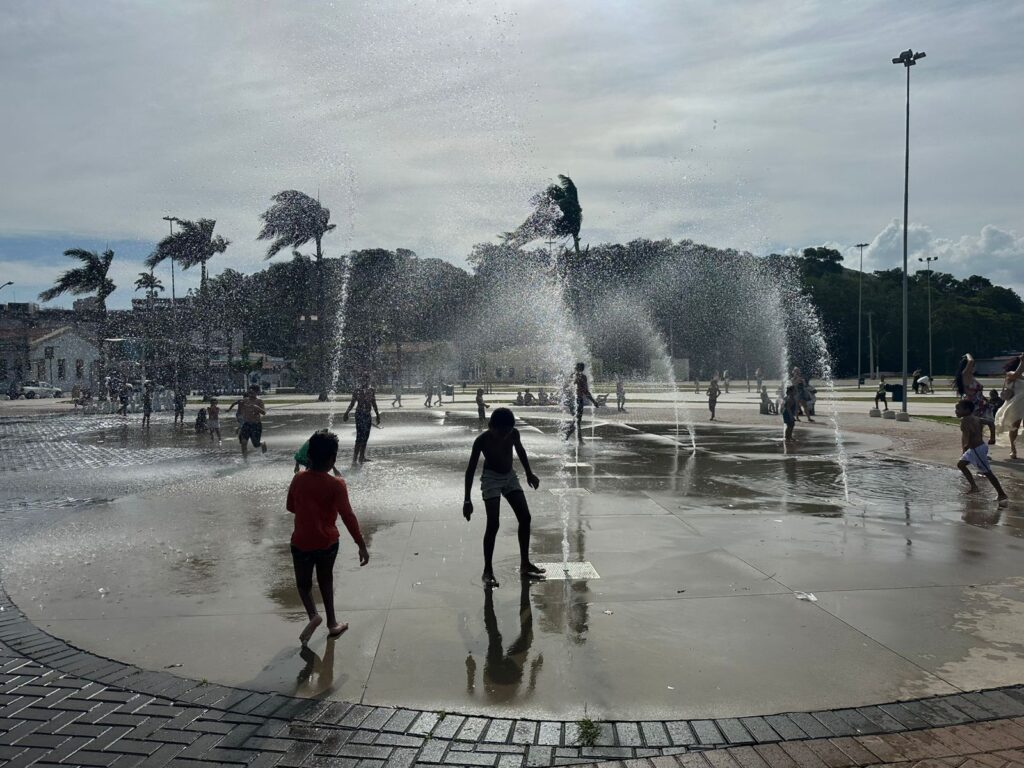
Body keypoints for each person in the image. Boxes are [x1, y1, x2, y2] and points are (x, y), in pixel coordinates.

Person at [287, 430, 369, 644]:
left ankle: (313, 615)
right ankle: (332, 624)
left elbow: (290, 507)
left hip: (301, 541)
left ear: (309, 457)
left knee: (304, 585)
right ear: (333, 459)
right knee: (326, 579)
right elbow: (348, 516)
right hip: (328, 543)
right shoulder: (337, 484)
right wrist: (361, 544)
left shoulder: (299, 478)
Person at [463, 407, 545, 588]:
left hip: (509, 476)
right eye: (501, 432)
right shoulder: (481, 441)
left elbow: (521, 451)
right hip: (491, 479)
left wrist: (529, 474)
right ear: (491, 426)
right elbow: (470, 470)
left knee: (525, 517)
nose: (504, 436)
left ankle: (525, 564)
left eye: (507, 432)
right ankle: (487, 571)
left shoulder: (513, 433)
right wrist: (467, 500)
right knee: (493, 524)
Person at [955, 400, 1009, 506]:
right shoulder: (975, 418)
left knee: (987, 472)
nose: (956, 411)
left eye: (958, 409)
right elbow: (990, 423)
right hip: (978, 447)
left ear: (966, 410)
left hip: (976, 449)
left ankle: (1002, 494)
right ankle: (974, 487)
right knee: (961, 465)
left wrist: (965, 447)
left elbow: (967, 435)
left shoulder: (965, 421)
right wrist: (992, 437)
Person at [343, 378, 380, 465]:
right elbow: (352, 403)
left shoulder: (371, 390)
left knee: (365, 436)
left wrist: (378, 415)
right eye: (364, 380)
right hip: (359, 415)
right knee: (360, 437)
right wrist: (346, 412)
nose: (365, 382)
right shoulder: (357, 391)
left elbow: (374, 403)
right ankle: (355, 458)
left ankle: (361, 457)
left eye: (367, 380)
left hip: (367, 415)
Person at [995, 356, 1024, 459]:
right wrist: (1022, 361)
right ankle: (1013, 448)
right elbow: (1016, 374)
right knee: (1014, 427)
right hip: (1016, 403)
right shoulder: (1010, 374)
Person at [565, 362, 599, 443]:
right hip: (578, 401)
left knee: (577, 421)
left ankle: (579, 440)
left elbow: (566, 389)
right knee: (577, 421)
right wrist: (594, 401)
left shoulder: (572, 376)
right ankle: (565, 437)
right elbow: (586, 391)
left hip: (571, 401)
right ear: (582, 369)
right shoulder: (582, 377)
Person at [237, 385, 268, 456]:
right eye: (249, 392)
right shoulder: (245, 400)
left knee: (256, 444)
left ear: (257, 392)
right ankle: (245, 460)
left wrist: (257, 408)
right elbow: (240, 412)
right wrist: (239, 405)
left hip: (256, 425)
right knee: (243, 442)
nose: (251, 394)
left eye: (253, 392)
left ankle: (263, 444)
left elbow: (264, 412)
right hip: (246, 424)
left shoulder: (259, 401)